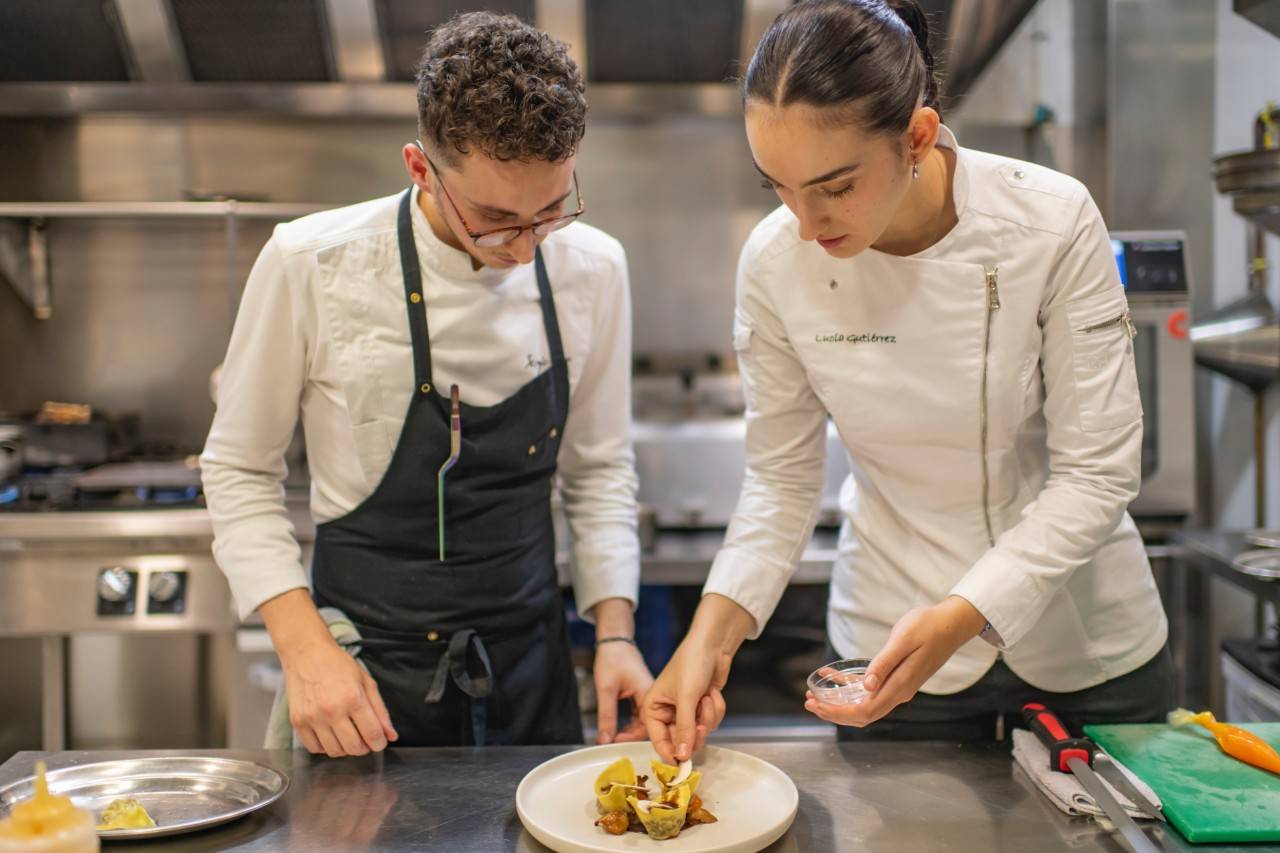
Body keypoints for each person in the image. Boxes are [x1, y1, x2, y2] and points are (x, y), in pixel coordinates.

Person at [643, 0, 1171, 760]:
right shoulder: (773, 262)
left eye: (833, 186)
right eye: (778, 188)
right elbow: (782, 482)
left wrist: (965, 611)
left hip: (1087, 640)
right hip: (886, 649)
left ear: (917, 136)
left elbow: (1096, 474)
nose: (805, 223)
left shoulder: (1050, 222)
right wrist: (709, 635)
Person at [201, 11, 651, 756]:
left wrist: (615, 634)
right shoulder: (309, 262)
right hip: (362, 680)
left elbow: (599, 469)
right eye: (495, 220)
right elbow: (238, 469)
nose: (525, 245)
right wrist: (304, 648)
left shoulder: (594, 268)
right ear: (420, 169)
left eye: (551, 210)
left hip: (532, 666)